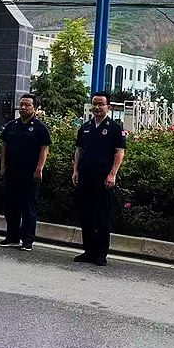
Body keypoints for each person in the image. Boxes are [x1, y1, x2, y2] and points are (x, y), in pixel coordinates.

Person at [71, 92, 127, 266]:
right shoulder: (85, 127)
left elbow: (119, 152)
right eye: (94, 104)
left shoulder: (115, 128)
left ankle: (101, 253)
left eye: (101, 104)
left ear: (108, 107)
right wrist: (75, 171)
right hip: (85, 176)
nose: (97, 107)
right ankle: (88, 251)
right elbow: (79, 150)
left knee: (102, 216)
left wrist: (112, 174)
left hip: (103, 178)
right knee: (86, 215)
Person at [0, 93, 51, 251]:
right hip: (12, 171)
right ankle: (12, 237)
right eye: (21, 104)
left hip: (29, 173)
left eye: (27, 105)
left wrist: (39, 169)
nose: (23, 107)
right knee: (10, 206)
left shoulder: (40, 127)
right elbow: (4, 146)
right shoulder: (11, 125)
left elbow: (44, 149)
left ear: (34, 108)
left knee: (28, 208)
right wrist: (2, 166)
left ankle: (27, 240)